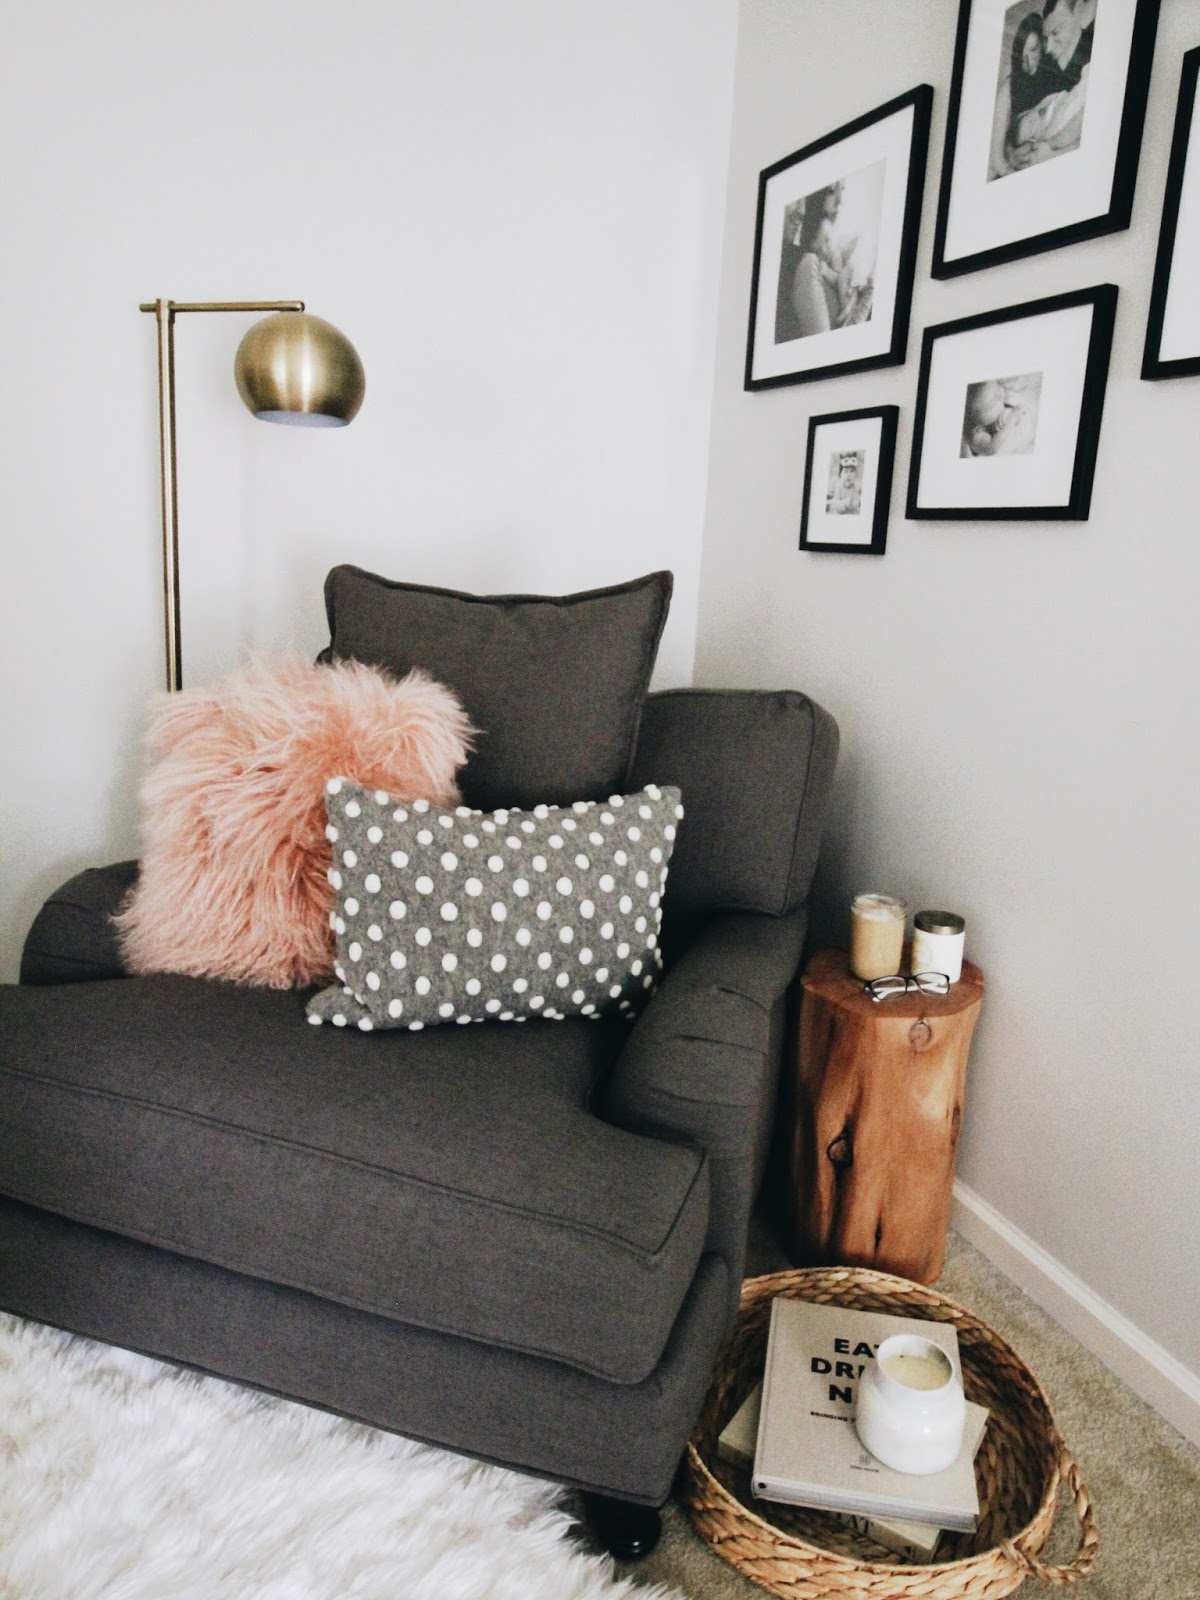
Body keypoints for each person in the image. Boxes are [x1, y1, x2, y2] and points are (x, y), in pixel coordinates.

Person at [960, 375, 1040, 458]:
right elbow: (992, 448)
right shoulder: (975, 436)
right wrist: (1013, 416)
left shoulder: (985, 414)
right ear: (985, 419)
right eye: (996, 398)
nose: (1002, 392)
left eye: (997, 385)